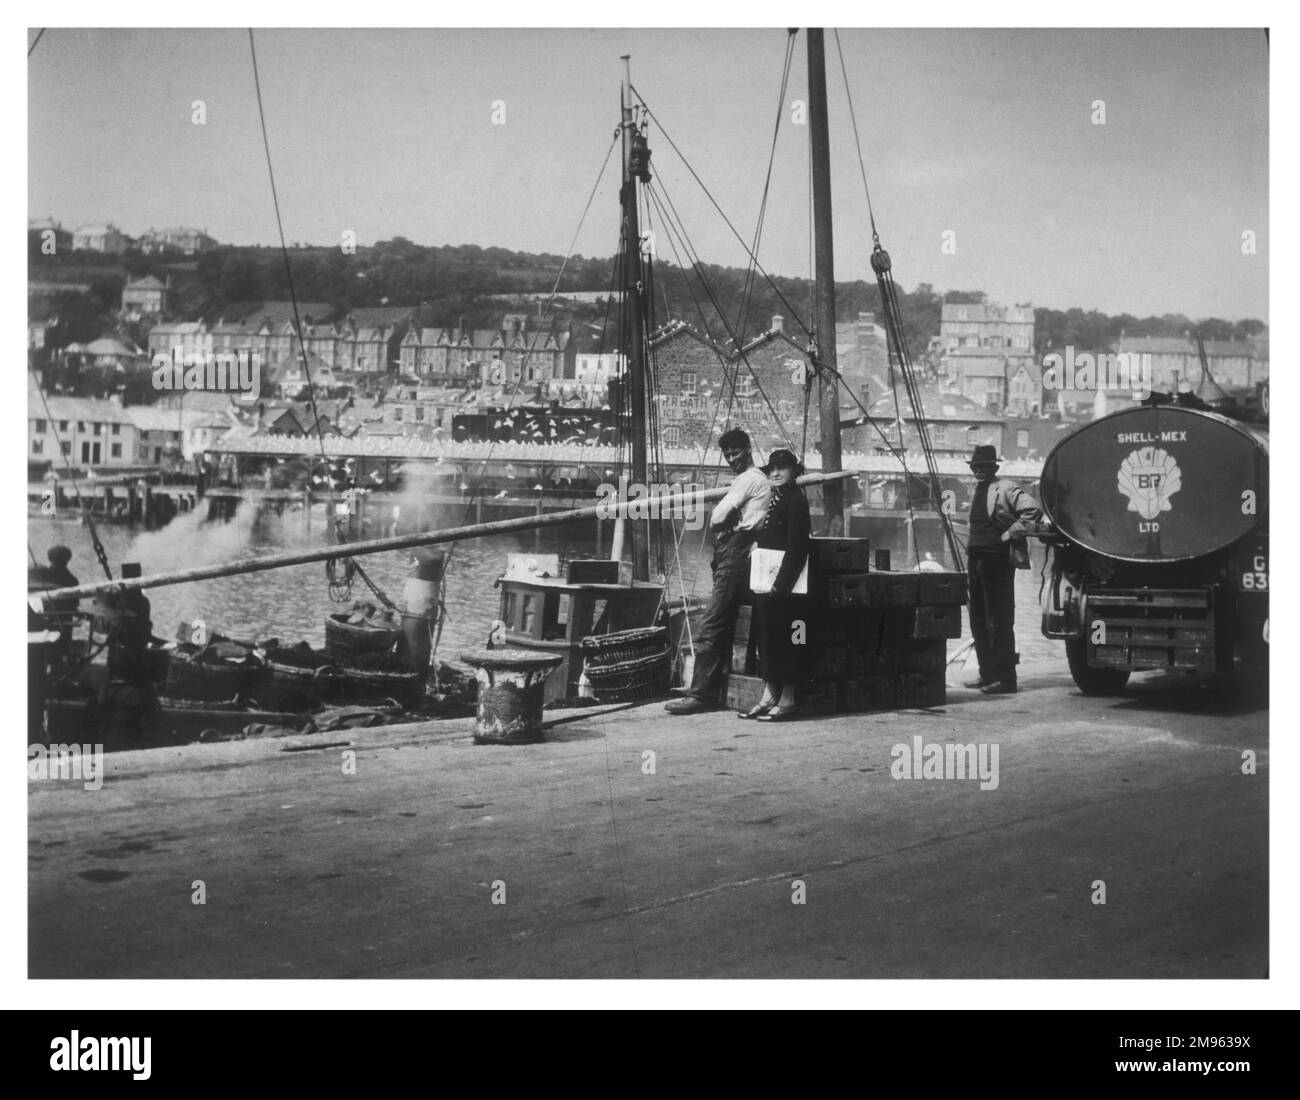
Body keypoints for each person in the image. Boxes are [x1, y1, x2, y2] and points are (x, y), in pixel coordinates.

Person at [665, 427, 771, 715]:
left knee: (712, 623)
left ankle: (701, 694)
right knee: (725, 620)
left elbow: (716, 519)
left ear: (748, 450)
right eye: (727, 454)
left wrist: (725, 519)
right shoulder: (754, 479)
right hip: (738, 551)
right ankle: (710, 688)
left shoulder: (749, 479)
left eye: (736, 452)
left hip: (737, 550)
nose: (732, 458)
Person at [963, 444, 1042, 695]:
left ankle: (1005, 679)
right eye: (976, 467)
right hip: (975, 559)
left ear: (994, 468)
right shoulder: (977, 490)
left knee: (998, 620)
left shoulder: (1005, 487)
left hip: (997, 560)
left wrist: (1010, 533)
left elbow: (1033, 510)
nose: (979, 471)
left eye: (984, 467)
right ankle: (987, 674)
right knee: (978, 620)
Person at [741, 449, 811, 721]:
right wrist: (759, 544)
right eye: (771, 470)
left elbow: (797, 549)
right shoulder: (778, 499)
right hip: (768, 583)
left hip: (788, 589)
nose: (776, 473)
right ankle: (770, 694)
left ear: (794, 471)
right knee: (768, 641)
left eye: (782, 468)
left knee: (790, 641)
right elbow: (775, 535)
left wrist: (780, 586)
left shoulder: (796, 500)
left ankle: (788, 698)